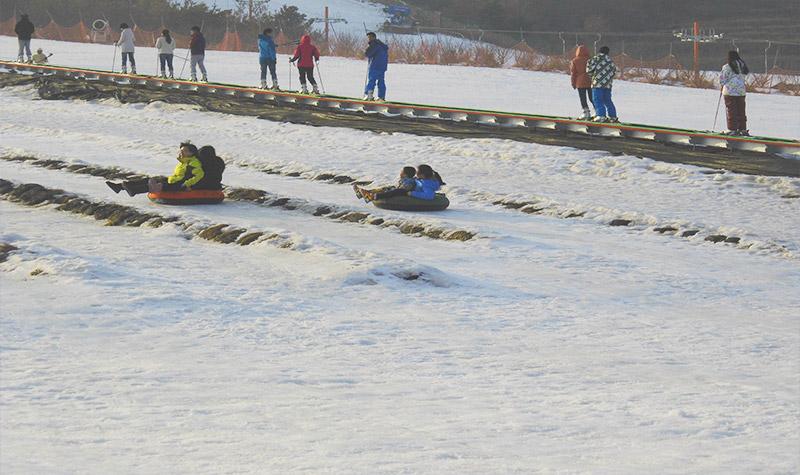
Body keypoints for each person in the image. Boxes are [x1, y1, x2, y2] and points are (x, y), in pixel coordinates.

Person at [105, 142, 204, 196]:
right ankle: (120, 187)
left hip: (178, 184)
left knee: (155, 185)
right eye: (181, 151)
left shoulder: (194, 163)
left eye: (185, 151)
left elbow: (198, 176)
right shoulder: (184, 162)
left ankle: (133, 190)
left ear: (191, 153)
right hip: (173, 181)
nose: (181, 153)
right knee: (152, 179)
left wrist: (186, 184)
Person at [720, 50, 750, 136]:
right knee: (741, 110)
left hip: (730, 92)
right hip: (741, 91)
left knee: (731, 110)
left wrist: (722, 84)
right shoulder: (742, 65)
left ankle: (732, 129)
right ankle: (742, 129)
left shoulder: (727, 66)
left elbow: (723, 79)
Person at [586, 46, 618, 122]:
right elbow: (614, 72)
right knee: (608, 100)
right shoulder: (610, 61)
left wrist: (593, 77)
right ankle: (613, 117)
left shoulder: (595, 59)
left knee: (597, 99)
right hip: (607, 84)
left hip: (597, 83)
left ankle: (601, 115)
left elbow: (588, 70)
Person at [569, 44, 594, 120]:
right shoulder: (591, 59)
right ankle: (597, 111)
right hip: (591, 81)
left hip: (580, 82)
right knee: (592, 97)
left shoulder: (575, 61)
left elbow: (574, 73)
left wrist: (573, 83)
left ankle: (586, 112)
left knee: (583, 98)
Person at [363, 32, 389, 101]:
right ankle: (381, 97)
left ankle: (368, 95)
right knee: (381, 81)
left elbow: (368, 54)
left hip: (375, 66)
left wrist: (368, 47)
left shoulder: (374, 45)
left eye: (369, 37)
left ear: (373, 37)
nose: (368, 39)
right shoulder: (382, 45)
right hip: (382, 67)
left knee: (372, 80)